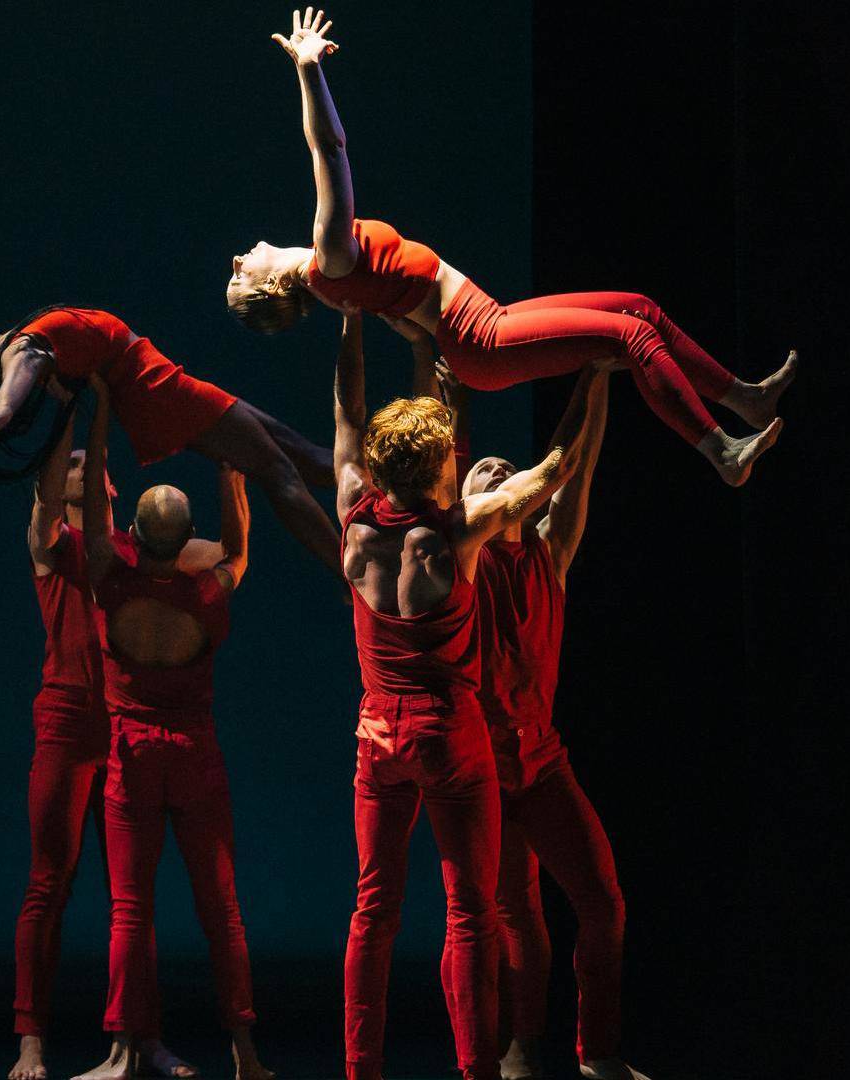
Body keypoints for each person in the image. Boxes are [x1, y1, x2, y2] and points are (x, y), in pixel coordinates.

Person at [228, 7, 793, 486]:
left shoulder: (333, 284)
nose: (236, 261)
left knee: (639, 307)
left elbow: (397, 311)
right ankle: (721, 450)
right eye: (240, 277)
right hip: (482, 340)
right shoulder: (330, 257)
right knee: (630, 334)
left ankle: (744, 399)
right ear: (274, 287)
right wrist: (308, 71)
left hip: (484, 319)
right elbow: (329, 149)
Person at [331, 309, 605, 1080]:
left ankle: (361, 1070)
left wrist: (351, 316)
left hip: (378, 738)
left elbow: (348, 410)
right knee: (471, 911)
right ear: (440, 469)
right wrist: (597, 374)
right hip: (449, 739)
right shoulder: (460, 531)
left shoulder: (354, 511)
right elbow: (555, 474)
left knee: (373, 911)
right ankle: (478, 1069)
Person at [60, 378, 272, 1080]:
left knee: (129, 906)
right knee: (222, 906)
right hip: (194, 757)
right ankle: (244, 1052)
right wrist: (228, 467)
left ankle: (123, 1052)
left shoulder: (108, 579)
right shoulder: (208, 589)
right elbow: (238, 550)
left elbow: (92, 518)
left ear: (137, 536)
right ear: (188, 543)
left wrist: (98, 417)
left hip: (133, 758)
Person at [457, 382, 649, 1080]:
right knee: (521, 927)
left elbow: (577, 462)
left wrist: (595, 376)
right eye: (485, 471)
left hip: (543, 763)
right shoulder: (461, 561)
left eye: (510, 469)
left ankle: (597, 1055)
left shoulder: (548, 551)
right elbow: (455, 474)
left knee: (603, 904)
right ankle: (520, 1046)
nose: (500, 473)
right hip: (485, 772)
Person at [0, 305, 340, 588]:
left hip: (159, 384)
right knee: (277, 469)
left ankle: (384, 491)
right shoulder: (24, 354)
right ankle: (349, 576)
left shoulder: (22, 346)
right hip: (158, 391)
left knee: (304, 455)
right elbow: (0, 411)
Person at [10, 436, 200, 1080]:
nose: (85, 466)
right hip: (66, 721)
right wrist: (63, 410)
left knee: (133, 895)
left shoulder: (134, 552)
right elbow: (42, 506)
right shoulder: (55, 543)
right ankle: (30, 1039)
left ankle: (142, 1037)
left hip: (126, 726)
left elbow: (216, 559)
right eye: (71, 463)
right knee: (48, 884)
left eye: (92, 462)